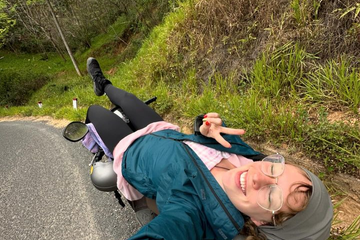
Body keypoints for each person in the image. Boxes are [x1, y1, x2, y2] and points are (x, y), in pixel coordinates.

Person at [83, 57, 333, 240]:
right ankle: (101, 82)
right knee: (125, 98)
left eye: (271, 196)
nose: (258, 176)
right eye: (273, 169)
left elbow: (171, 231)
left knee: (95, 112)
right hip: (163, 132)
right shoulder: (246, 158)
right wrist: (204, 128)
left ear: (260, 221)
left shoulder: (196, 213)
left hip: (134, 154)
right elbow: (207, 141)